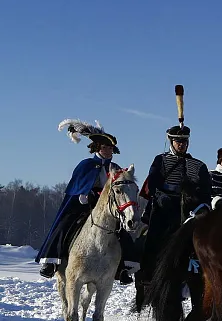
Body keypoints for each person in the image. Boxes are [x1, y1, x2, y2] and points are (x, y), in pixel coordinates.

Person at [36, 119, 136, 284]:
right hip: (83, 206)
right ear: (98, 148)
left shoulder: (116, 168)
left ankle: (124, 267)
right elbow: (77, 185)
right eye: (106, 147)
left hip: (109, 209)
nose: (109, 151)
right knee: (64, 224)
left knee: (122, 232)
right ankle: (51, 261)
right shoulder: (86, 165)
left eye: (111, 148)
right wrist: (85, 193)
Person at [139, 122, 211, 284]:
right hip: (165, 206)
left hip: (190, 209)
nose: (182, 145)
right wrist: (160, 196)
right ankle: (148, 272)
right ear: (171, 142)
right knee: (154, 236)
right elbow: (153, 183)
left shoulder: (198, 165)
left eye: (184, 142)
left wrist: (203, 206)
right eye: (178, 141)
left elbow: (205, 190)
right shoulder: (161, 160)